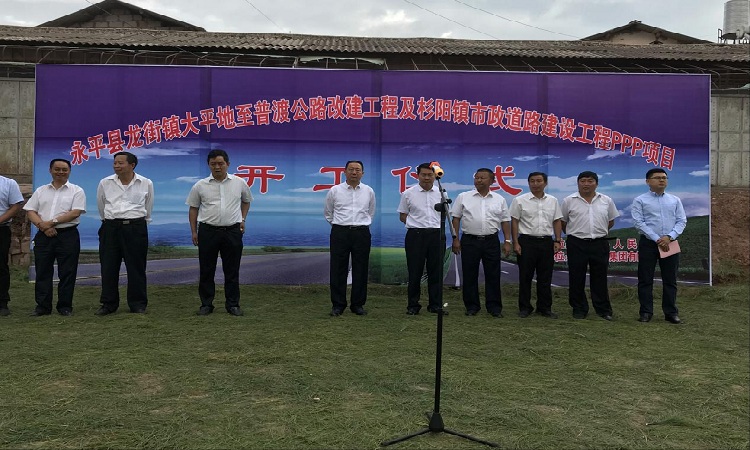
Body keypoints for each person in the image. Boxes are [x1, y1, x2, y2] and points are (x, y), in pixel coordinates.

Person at [187, 149, 252, 316]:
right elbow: (193, 208)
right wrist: (194, 231)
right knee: (206, 270)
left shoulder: (239, 182)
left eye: (220, 164)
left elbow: (246, 201)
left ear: (227, 164)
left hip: (232, 231)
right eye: (213, 164)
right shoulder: (200, 185)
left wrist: (242, 219)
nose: (217, 167)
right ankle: (206, 304)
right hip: (208, 231)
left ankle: (233, 304)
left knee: (232, 270)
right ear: (208, 165)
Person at [23, 159, 86, 316]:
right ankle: (42, 307)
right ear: (50, 170)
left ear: (69, 171)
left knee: (67, 272)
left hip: (67, 235)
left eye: (64, 169)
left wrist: (51, 223)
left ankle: (65, 306)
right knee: (42, 271)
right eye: (57, 169)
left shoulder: (77, 190)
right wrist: (43, 226)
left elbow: (75, 212)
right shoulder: (41, 190)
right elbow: (30, 210)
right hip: (44, 235)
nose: (60, 172)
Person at [95, 151, 154, 315]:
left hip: (135, 227)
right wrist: (109, 222)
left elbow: (148, 206)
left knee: (136, 267)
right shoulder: (105, 182)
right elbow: (101, 205)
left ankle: (138, 304)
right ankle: (108, 304)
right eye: (115, 163)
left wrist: (139, 223)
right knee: (109, 267)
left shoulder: (146, 183)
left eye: (120, 163)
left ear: (132, 165)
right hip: (111, 228)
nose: (116, 166)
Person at [450, 168, 511, 317]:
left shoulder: (499, 199)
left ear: (492, 181)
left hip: (491, 241)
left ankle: (494, 308)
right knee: (469, 274)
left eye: (482, 178)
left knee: (493, 275)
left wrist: (507, 241)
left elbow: (505, 221)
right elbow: (456, 219)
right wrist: (455, 239)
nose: (479, 180)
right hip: (470, 240)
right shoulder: (463, 197)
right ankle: (472, 307)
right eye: (477, 177)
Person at [560, 171, 619, 321]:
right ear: (578, 183)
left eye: (590, 181)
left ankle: (603, 309)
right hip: (576, 243)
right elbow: (563, 222)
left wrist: (598, 231)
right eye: (583, 181)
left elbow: (610, 221)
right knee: (576, 277)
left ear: (596, 184)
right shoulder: (568, 201)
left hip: (599, 243)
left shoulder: (606, 200)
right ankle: (579, 308)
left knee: (600, 277)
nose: (586, 184)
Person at [631, 168, 687, 324]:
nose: (662, 180)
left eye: (664, 177)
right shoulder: (640, 200)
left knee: (670, 279)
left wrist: (669, 237)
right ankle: (646, 312)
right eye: (657, 178)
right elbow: (639, 223)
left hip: (670, 242)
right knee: (645, 279)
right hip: (648, 243)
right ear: (648, 181)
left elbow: (681, 221)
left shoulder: (675, 200)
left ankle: (671, 312)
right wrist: (658, 239)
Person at [324, 160, 376, 317]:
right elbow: (328, 213)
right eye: (351, 169)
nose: (354, 172)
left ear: (362, 173)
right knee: (338, 269)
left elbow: (370, 212)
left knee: (361, 269)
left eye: (358, 170)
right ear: (345, 172)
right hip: (340, 232)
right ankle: (338, 305)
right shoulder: (335, 190)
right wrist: (340, 225)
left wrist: (360, 225)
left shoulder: (368, 191)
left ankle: (357, 304)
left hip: (361, 232)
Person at [509, 172, 563, 319]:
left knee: (545, 277)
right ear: (528, 183)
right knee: (525, 277)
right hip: (526, 242)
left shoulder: (552, 201)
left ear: (545, 183)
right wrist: (515, 242)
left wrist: (558, 240)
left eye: (539, 181)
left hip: (546, 242)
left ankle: (544, 308)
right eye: (532, 181)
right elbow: (514, 221)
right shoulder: (519, 200)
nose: (535, 184)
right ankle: (525, 308)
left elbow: (557, 221)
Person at [397, 162, 445, 315]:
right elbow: (402, 215)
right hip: (416, 236)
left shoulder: (442, 193)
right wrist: (416, 224)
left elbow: (446, 214)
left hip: (436, 235)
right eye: (423, 175)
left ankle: (435, 305)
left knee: (435, 272)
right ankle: (413, 305)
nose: (427, 178)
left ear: (435, 176)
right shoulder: (408, 193)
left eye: (430, 175)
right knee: (415, 272)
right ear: (417, 176)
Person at [0, 175, 24, 317]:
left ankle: (2, 302)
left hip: (1, 228)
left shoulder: (8, 183)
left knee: (1, 266)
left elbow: (16, 206)